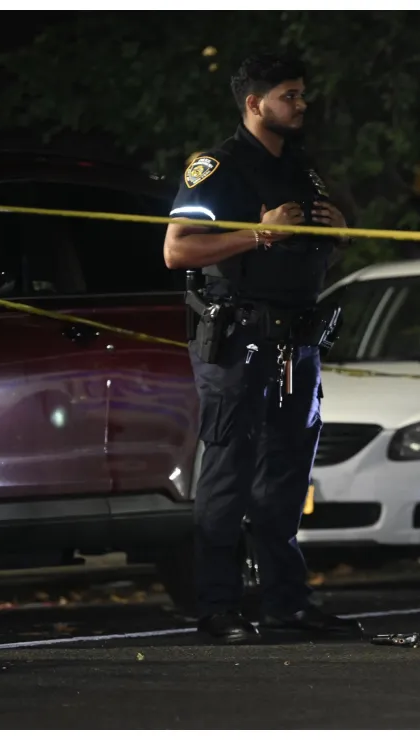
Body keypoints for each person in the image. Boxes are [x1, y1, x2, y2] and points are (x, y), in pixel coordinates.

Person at [163, 52, 363, 643]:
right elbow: (177, 250)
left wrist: (341, 232)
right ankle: (218, 608)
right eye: (290, 95)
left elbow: (315, 246)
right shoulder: (218, 166)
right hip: (237, 343)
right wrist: (258, 232)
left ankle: (287, 604)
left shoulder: (302, 168)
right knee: (229, 474)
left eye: (302, 94)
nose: (301, 105)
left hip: (297, 345)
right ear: (255, 103)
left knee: (286, 478)